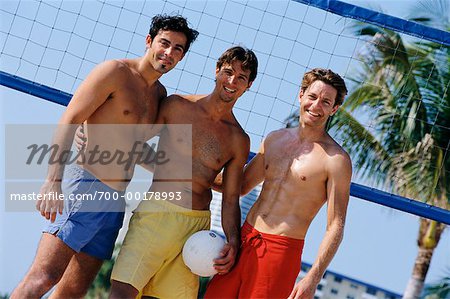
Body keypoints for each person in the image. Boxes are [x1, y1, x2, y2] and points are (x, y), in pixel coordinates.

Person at [11, 14, 198, 299]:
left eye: (178, 49)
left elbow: (135, 148)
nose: (169, 52)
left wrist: (191, 173)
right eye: (165, 43)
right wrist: (52, 180)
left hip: (115, 202)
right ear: (149, 41)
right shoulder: (114, 72)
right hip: (85, 184)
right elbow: (70, 119)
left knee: (73, 291)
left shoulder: (160, 94)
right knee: (43, 277)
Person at [108, 46, 258, 299]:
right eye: (228, 72)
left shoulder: (238, 139)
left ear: (249, 85)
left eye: (241, 78)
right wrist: (93, 132)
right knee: (122, 293)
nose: (232, 82)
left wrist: (233, 241)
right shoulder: (177, 105)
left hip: (197, 228)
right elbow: (135, 141)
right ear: (217, 71)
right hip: (157, 213)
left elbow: (231, 199)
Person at [204, 68, 352, 299]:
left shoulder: (336, 160)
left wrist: (313, 277)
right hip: (243, 242)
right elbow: (240, 185)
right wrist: (190, 170)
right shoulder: (275, 139)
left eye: (325, 102)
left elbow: (336, 225)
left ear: (334, 109)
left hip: (280, 253)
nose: (316, 106)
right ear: (301, 94)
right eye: (312, 97)